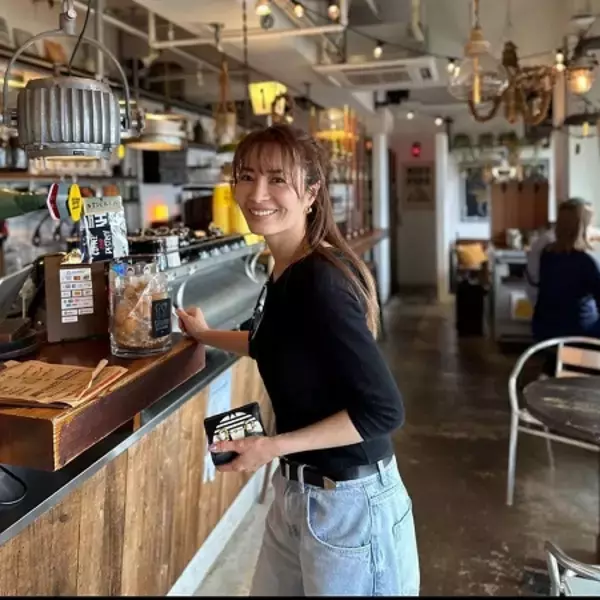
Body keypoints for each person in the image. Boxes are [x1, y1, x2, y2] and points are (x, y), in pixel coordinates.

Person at [176, 124, 419, 596]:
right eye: (247, 177)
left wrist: (272, 446)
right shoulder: (285, 270)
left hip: (350, 503)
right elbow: (270, 342)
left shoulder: (321, 282)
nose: (257, 194)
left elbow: (383, 411)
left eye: (277, 180)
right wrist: (205, 335)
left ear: (310, 193)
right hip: (299, 493)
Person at [533, 199, 600, 343]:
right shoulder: (587, 262)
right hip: (579, 334)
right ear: (584, 227)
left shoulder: (547, 254)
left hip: (544, 331)